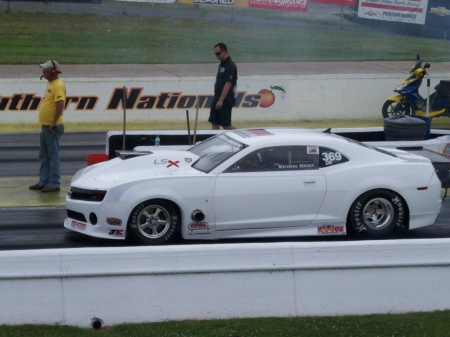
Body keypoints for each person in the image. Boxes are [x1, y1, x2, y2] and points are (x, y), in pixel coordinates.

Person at [29, 60, 66, 193]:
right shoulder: (52, 84)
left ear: (53, 71)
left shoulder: (57, 85)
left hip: (52, 127)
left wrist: (53, 123)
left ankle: (54, 182)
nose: (43, 72)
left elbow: (60, 104)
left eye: (45, 70)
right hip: (47, 126)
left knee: (53, 155)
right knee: (44, 155)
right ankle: (44, 181)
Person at [208, 42, 238, 130]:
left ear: (224, 52)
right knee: (214, 122)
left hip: (225, 100)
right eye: (215, 53)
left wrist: (221, 100)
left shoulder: (230, 65)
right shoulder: (221, 65)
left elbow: (228, 83)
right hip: (217, 98)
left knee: (226, 125)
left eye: (218, 53)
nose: (216, 56)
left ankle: (242, 136)